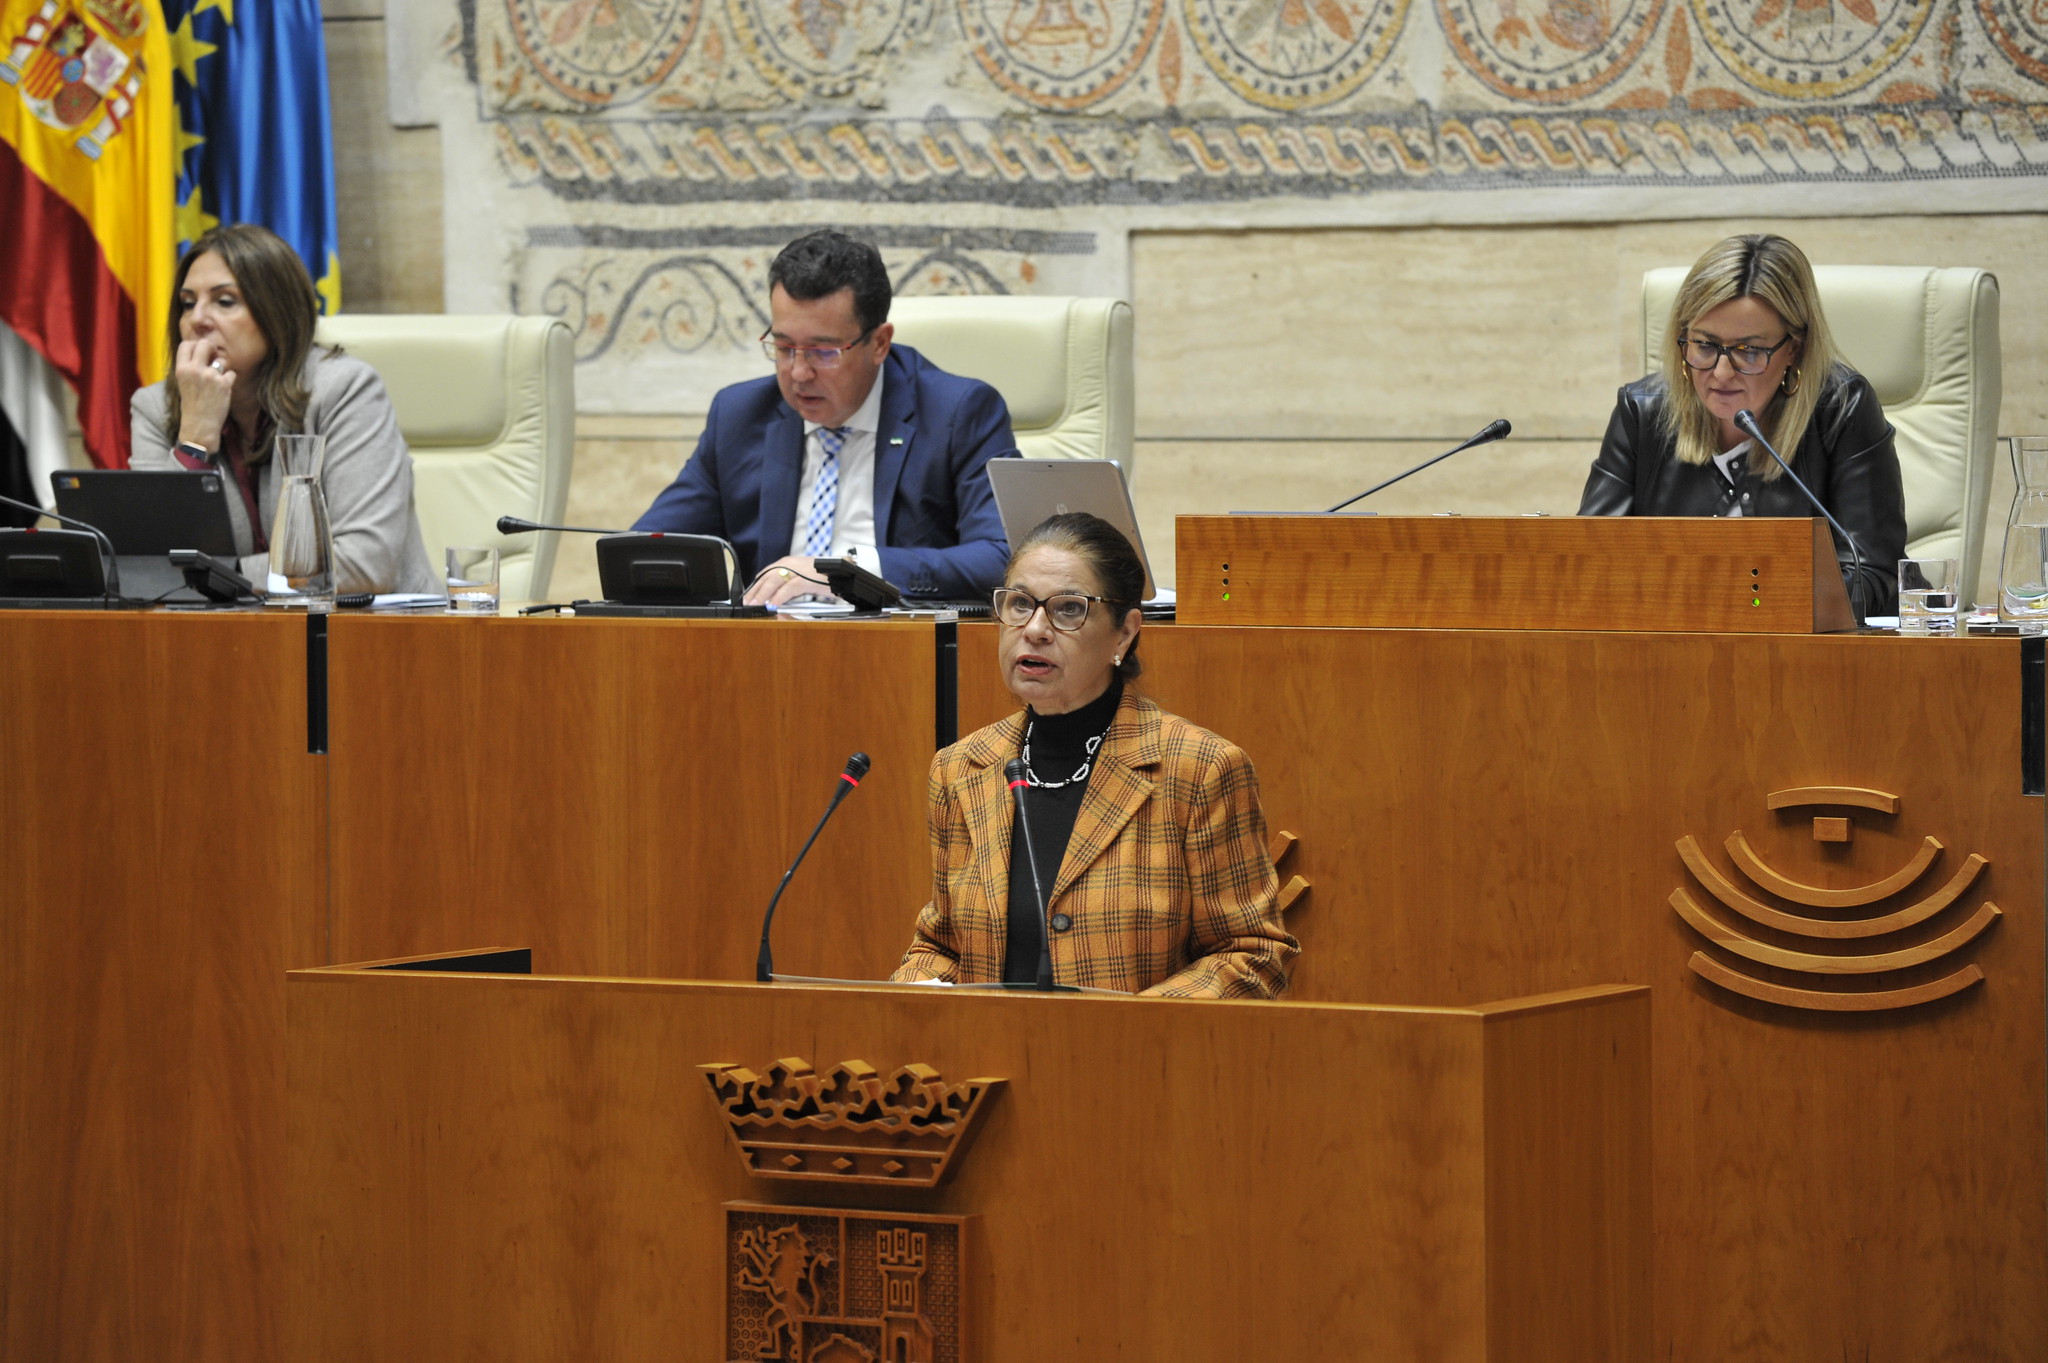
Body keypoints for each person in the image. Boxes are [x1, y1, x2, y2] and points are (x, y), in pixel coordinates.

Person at [891, 513, 1298, 998]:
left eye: (1067, 610)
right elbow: (941, 944)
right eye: (1020, 604)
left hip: (1132, 1066)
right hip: (991, 1064)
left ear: (1123, 634)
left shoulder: (1198, 769)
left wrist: (1122, 1031)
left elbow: (1251, 953)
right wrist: (915, 989)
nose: (1035, 628)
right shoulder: (962, 768)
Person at [634, 230, 1016, 605]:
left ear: (879, 343)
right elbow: (647, 551)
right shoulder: (740, 415)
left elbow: (1004, 559)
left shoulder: (958, 412)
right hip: (770, 648)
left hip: (896, 648)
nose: (799, 372)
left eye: (823, 351)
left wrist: (845, 572)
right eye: (784, 347)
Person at [1577, 233, 1906, 620]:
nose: (1720, 373)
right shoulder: (1642, 413)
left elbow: (1874, 577)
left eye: (1749, 350)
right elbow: (1588, 564)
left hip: (1805, 661)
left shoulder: (1841, 409)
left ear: (1794, 349)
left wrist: (1743, 606)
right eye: (1704, 345)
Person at [130, 224, 437, 595]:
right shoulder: (154, 407)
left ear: (277, 312)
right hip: (230, 640)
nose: (197, 319)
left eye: (225, 301)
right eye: (187, 302)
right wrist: (195, 439)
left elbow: (362, 564)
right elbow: (146, 565)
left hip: (369, 634)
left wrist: (219, 575)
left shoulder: (344, 391)